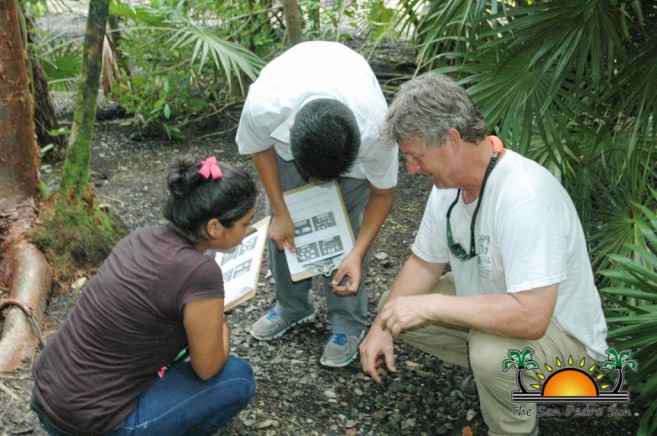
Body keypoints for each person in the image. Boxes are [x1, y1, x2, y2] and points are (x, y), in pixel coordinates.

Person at [359, 73, 608, 435]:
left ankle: (514, 423)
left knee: (492, 354)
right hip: (498, 305)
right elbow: (423, 263)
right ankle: (498, 379)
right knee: (393, 308)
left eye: (416, 157)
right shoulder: (448, 186)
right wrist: (379, 328)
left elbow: (533, 317)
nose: (412, 170)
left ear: (452, 140)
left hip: (566, 341)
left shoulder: (524, 199)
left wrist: (431, 307)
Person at [31, 155, 258, 435]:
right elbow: (207, 368)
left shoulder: (143, 236)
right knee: (239, 378)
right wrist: (221, 324)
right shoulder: (201, 273)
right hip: (92, 424)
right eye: (245, 224)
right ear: (213, 227)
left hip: (48, 398)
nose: (250, 231)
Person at [235, 40, 398, 368]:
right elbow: (259, 148)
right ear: (292, 130)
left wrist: (355, 252)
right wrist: (280, 211)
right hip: (289, 145)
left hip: (347, 145)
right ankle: (292, 306)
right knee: (284, 226)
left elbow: (382, 194)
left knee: (345, 231)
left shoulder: (377, 129)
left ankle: (348, 321)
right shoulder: (265, 104)